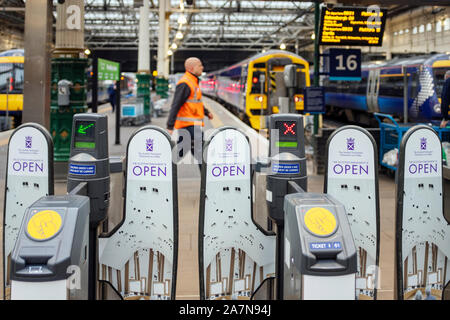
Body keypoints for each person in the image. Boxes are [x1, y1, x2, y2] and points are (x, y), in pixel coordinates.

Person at [167, 57, 213, 169]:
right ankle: (207, 182)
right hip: (189, 126)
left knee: (182, 152)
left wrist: (207, 112)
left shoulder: (193, 81)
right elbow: (176, 104)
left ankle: (164, 168)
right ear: (192, 68)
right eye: (199, 65)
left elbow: (196, 102)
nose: (202, 67)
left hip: (192, 126)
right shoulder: (185, 83)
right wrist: (170, 125)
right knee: (202, 154)